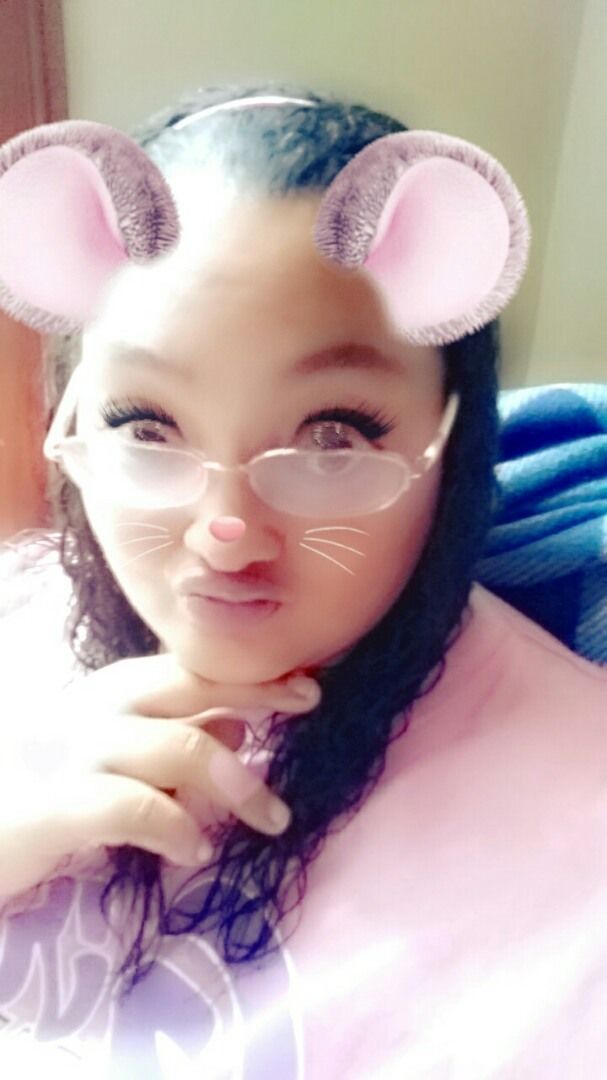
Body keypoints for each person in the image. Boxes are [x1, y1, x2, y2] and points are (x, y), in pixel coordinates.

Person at [0, 82, 605, 1079]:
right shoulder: (20, 615)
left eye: (332, 437)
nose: (227, 534)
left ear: (450, 441)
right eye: (146, 426)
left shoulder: (582, 845)